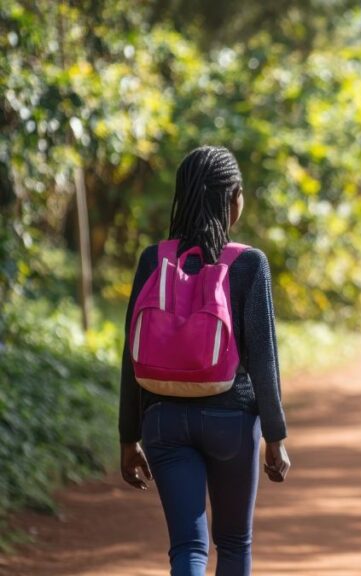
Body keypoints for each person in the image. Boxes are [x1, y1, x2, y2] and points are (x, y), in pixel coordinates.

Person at [119, 146, 290, 576]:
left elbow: (131, 353)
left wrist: (128, 437)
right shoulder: (249, 263)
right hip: (232, 418)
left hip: (163, 419)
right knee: (233, 543)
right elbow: (264, 356)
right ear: (234, 198)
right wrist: (276, 435)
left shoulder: (152, 259)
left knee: (188, 548)